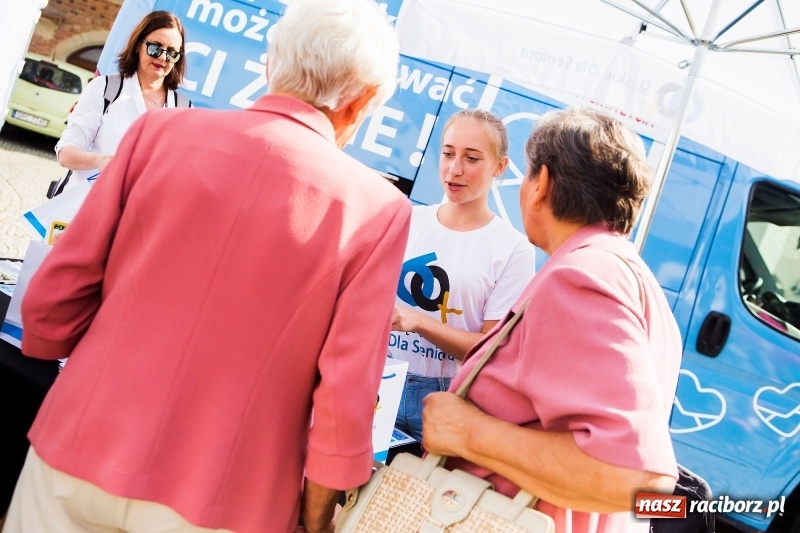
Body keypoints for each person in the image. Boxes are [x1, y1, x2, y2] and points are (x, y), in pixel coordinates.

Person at [5, 1, 408, 532]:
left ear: (270, 67)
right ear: (364, 102)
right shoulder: (376, 209)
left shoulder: (159, 135)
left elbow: (53, 298)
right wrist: (315, 515)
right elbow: (345, 395)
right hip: (229, 497)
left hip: (79, 443)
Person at [421, 107, 682, 533]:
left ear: (540, 183)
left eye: (525, 175)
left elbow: (636, 478)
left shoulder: (582, 276)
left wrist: (467, 432)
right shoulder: (627, 272)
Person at [388, 109, 536, 444]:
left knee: (419, 496)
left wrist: (420, 322)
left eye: (472, 158)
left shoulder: (512, 250)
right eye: (448, 153)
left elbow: (490, 351)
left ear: (500, 167)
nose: (455, 170)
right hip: (380, 379)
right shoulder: (406, 219)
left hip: (450, 398)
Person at [55, 10, 190, 188]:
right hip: (83, 207)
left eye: (172, 53)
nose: (163, 57)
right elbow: (66, 153)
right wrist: (99, 161)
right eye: (155, 48)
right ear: (138, 45)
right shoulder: (105, 88)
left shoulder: (184, 109)